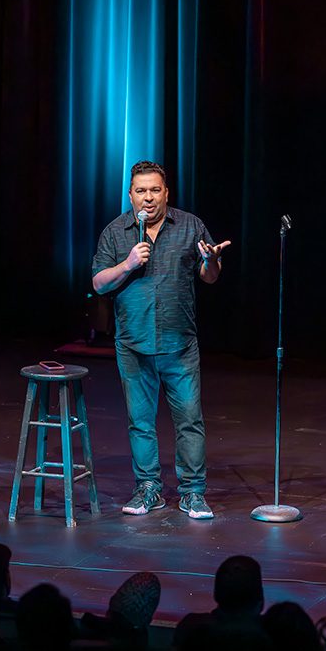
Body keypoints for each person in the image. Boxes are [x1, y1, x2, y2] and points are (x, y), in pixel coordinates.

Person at [92, 160, 231, 519]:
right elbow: (98, 283)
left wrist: (211, 261)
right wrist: (127, 264)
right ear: (131, 195)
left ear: (166, 192)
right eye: (141, 191)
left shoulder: (190, 226)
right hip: (133, 343)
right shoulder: (115, 232)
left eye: (155, 190)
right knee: (140, 422)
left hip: (179, 343)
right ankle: (148, 488)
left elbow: (210, 276)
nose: (149, 198)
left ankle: (193, 493)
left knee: (189, 420)